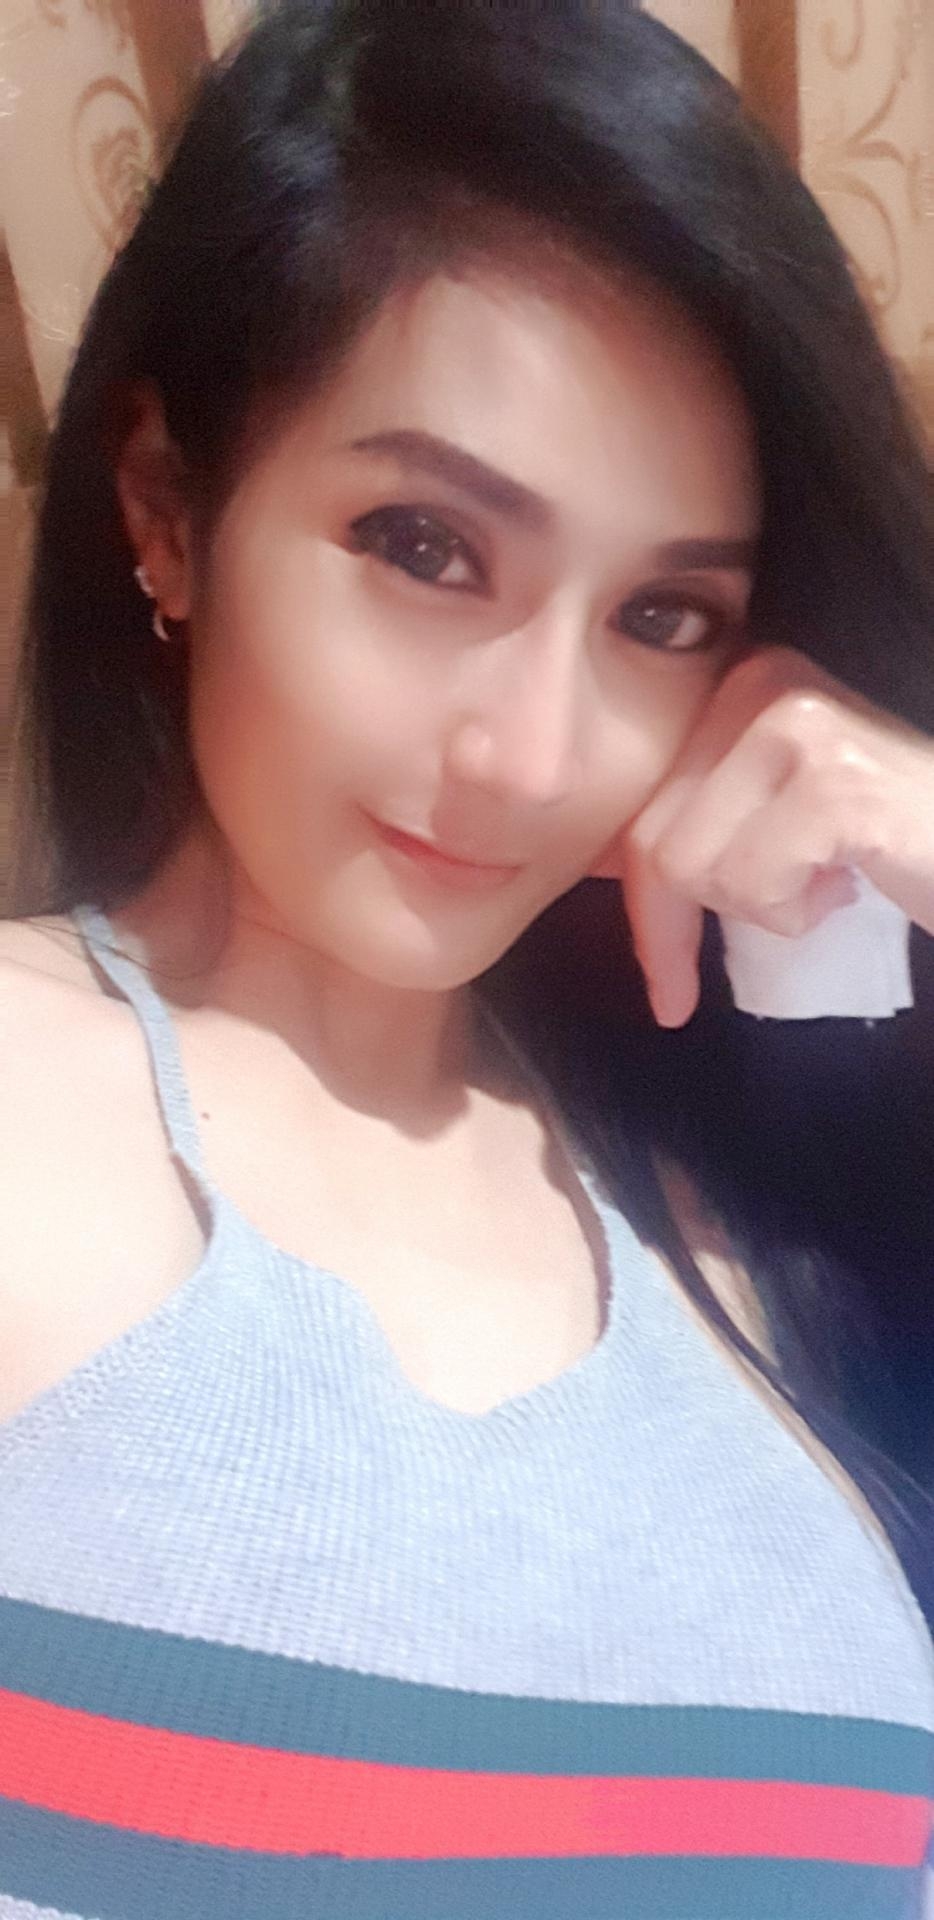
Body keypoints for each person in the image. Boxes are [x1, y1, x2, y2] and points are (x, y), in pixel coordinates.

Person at [2, 2, 934, 1913]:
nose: (531, 755)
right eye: (422, 546)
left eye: (662, 617)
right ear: (166, 510)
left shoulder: (757, 1226)